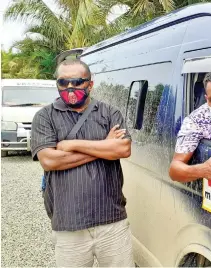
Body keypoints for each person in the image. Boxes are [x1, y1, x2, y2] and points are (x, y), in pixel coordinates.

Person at [31, 59, 134, 267]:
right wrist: (104, 147)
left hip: (112, 219)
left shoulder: (109, 113)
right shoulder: (45, 117)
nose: (70, 88)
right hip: (69, 223)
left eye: (77, 82)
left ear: (90, 84)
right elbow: (49, 160)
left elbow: (123, 149)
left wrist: (70, 144)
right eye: (63, 82)